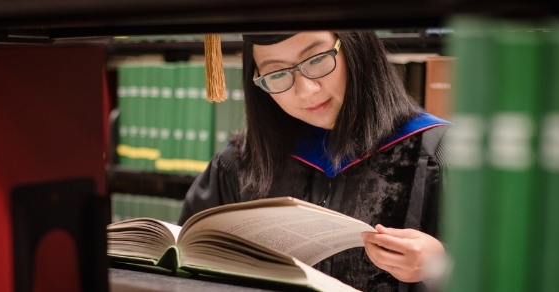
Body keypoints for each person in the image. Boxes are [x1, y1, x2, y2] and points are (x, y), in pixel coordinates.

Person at [178, 30, 450, 292]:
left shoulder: (439, 154)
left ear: (356, 46)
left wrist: (441, 267)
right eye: (277, 73)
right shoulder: (239, 164)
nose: (306, 90)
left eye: (317, 59)